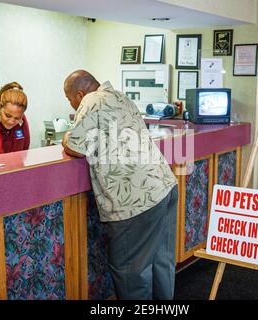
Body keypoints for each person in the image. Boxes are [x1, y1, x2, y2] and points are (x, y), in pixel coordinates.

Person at [62, 70, 178, 300]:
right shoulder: (120, 96)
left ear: (80, 93)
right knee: (160, 262)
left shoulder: (91, 100)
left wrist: (66, 137)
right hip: (164, 186)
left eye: (69, 100)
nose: (72, 105)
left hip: (134, 202)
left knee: (131, 273)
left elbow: (75, 145)